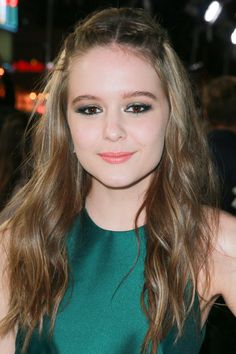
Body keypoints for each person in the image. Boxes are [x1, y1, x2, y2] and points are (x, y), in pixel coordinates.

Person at [0, 7, 235, 354]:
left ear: (172, 114)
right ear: (65, 123)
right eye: (90, 109)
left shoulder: (215, 243)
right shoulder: (16, 244)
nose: (112, 131)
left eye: (136, 106)